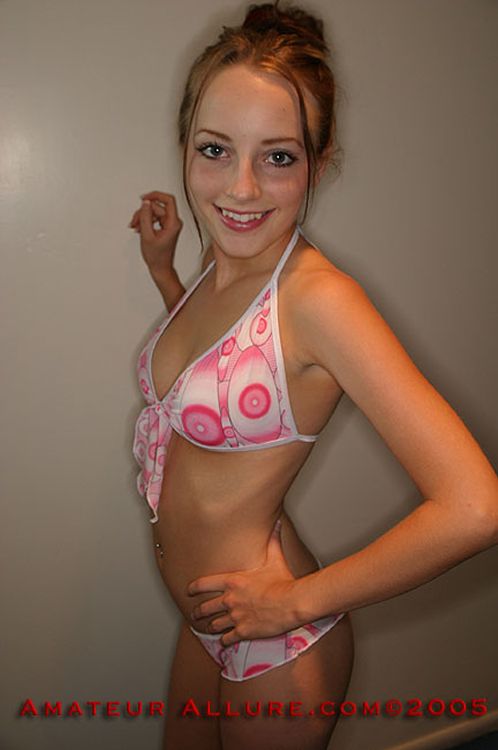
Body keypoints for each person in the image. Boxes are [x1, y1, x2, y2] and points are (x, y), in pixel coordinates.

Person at [128, 3, 498, 749]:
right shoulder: (223, 265)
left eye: (278, 158)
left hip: (276, 642)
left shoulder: (320, 301)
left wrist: (294, 602)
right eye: (215, 149)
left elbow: (475, 506)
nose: (240, 189)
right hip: (210, 621)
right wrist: (165, 273)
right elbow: (215, 378)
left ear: (318, 164)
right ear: (185, 146)